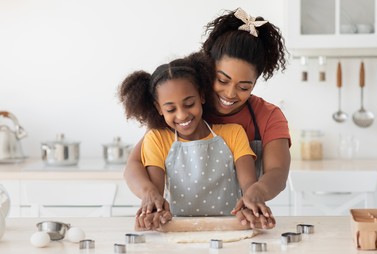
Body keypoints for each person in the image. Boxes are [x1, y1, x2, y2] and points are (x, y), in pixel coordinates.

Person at [124, 7, 291, 229]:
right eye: (222, 80)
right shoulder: (187, 106)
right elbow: (136, 162)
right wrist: (149, 194)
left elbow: (278, 172)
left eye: (244, 87)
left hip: (238, 221)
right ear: (208, 70)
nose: (230, 94)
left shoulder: (267, 117)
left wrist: (256, 192)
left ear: (255, 83)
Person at [118, 52, 258, 230]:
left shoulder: (234, 133)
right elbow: (156, 194)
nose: (182, 115)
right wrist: (154, 211)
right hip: (178, 229)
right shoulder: (157, 139)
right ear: (158, 108)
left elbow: (249, 186)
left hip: (230, 229)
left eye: (189, 104)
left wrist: (251, 202)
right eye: (170, 109)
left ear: (202, 96)